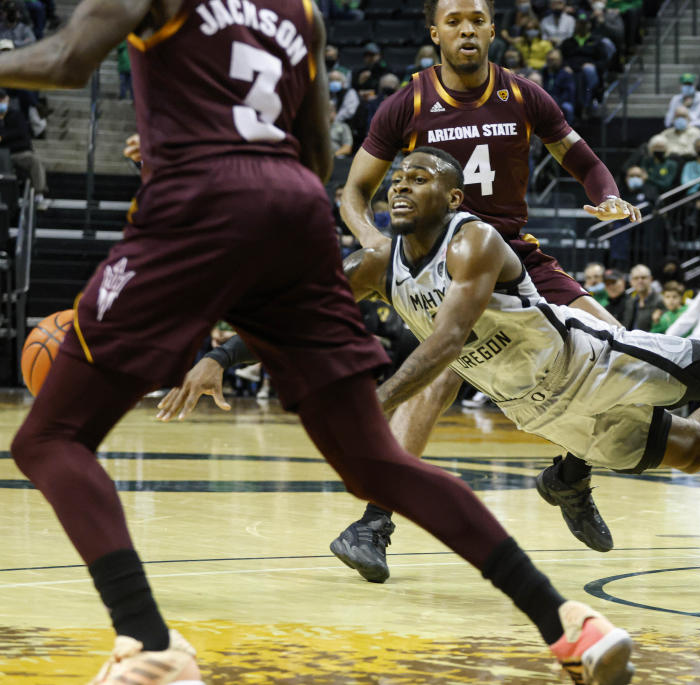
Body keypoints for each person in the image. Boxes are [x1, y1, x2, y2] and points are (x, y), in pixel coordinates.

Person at [5, 6, 635, 685]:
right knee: (372, 458)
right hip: (293, 206)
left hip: (203, 200)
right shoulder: (298, 10)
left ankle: (149, 640)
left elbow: (69, 60)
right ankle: (567, 622)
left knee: (50, 437)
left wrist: (187, 157)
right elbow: (317, 156)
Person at [180, 149, 700, 615]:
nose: (400, 186)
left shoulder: (473, 240)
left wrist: (370, 406)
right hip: (539, 407)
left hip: (593, 361)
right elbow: (304, 308)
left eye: (420, 177)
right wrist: (222, 355)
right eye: (397, 178)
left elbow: (448, 339)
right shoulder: (380, 265)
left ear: (453, 198)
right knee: (690, 452)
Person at [339, 0, 644, 579]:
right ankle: (373, 522)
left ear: (492, 29)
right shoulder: (406, 103)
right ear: (436, 33)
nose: (467, 30)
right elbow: (353, 191)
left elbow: (585, 161)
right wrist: (376, 243)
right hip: (442, 262)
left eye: (477, 19)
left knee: (619, 347)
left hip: (512, 255)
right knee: (436, 381)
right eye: (454, 21)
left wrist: (606, 193)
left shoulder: (524, 95)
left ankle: (570, 477)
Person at [0, 88, 47, 207]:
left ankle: (39, 194)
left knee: (34, 160)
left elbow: (21, 134)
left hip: (18, 152)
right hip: (3, 152)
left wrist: (3, 138)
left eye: (3, 100)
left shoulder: (16, 115)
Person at [542, 48, 577, 122]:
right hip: (544, 101)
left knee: (568, 107)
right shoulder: (543, 73)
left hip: (560, 101)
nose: (551, 62)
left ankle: (566, 131)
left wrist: (554, 102)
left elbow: (568, 93)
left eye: (554, 60)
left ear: (560, 60)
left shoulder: (566, 74)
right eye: (549, 59)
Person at [628, 263, 664, 331]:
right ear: (631, 282)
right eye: (636, 278)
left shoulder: (661, 300)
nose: (640, 281)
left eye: (643, 277)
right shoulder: (630, 301)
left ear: (651, 279)